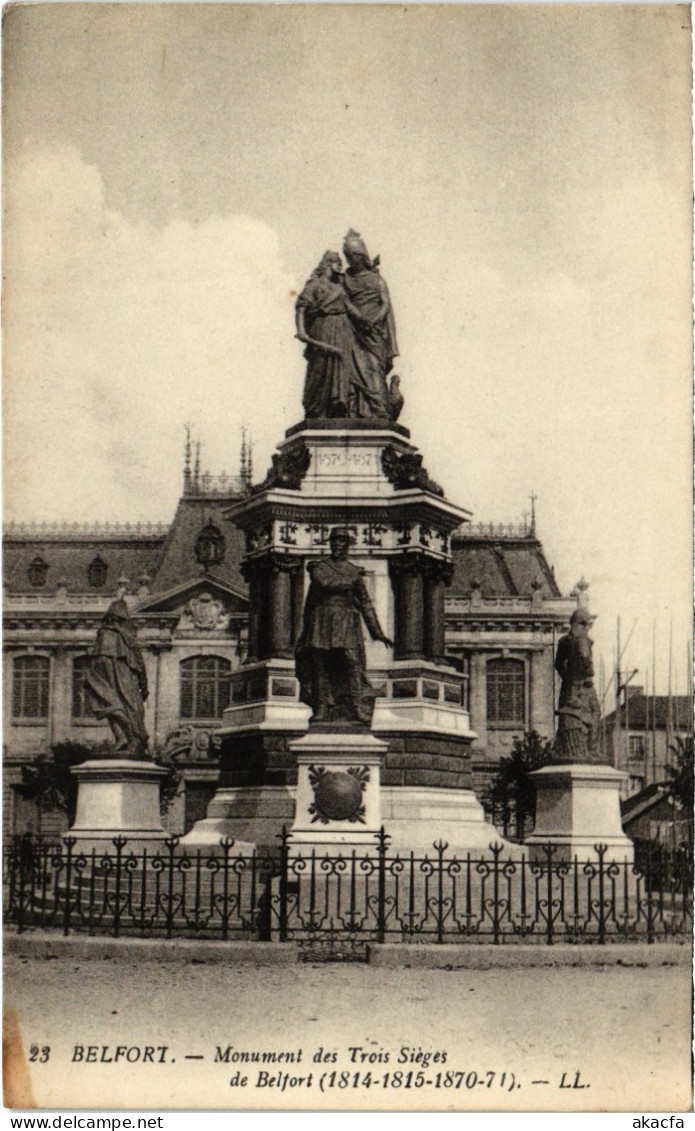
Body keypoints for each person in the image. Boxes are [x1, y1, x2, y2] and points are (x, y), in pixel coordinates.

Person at [296, 528, 392, 726]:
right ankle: (322, 706)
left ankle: (357, 706)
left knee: (352, 663)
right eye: (334, 541)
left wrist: (378, 633)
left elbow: (365, 603)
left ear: (347, 545)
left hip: (346, 621)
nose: (337, 544)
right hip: (322, 619)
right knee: (320, 665)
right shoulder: (321, 568)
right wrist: (304, 632)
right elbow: (321, 586)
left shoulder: (352, 571)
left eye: (341, 541)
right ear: (329, 543)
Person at [341, 229, 398, 418]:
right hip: (352, 330)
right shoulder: (345, 279)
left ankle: (379, 410)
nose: (350, 260)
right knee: (350, 372)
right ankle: (354, 411)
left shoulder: (376, 279)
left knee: (373, 368)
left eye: (354, 256)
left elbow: (385, 304)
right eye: (348, 256)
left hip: (373, 333)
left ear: (362, 256)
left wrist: (374, 321)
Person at [86, 598, 149, 757]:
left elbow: (98, 663)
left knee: (113, 706)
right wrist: (144, 686)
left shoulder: (107, 634)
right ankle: (127, 739)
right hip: (127, 684)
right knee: (120, 707)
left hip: (120, 682)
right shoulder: (128, 639)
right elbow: (140, 665)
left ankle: (125, 739)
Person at [295, 251, 351, 418]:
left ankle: (335, 406)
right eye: (336, 261)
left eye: (341, 261)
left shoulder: (339, 289)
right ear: (327, 264)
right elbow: (301, 308)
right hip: (322, 330)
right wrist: (301, 331)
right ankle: (315, 408)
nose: (340, 264)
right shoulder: (315, 285)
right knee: (319, 369)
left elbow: (350, 309)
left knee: (339, 368)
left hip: (341, 332)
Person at [554, 607, 601, 761]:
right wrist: (586, 670)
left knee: (586, 715)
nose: (587, 628)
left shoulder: (564, 640)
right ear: (578, 623)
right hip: (583, 686)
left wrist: (566, 676)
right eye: (585, 624)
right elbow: (584, 657)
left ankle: (589, 750)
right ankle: (591, 750)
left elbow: (558, 664)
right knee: (593, 713)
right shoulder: (581, 640)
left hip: (572, 686)